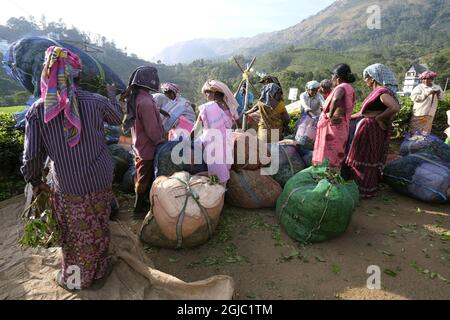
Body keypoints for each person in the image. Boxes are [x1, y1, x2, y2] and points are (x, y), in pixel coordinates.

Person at [21, 46, 123, 290]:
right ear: (76, 73)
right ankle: (98, 270)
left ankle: (77, 279)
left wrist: (35, 181)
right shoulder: (96, 102)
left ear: (46, 74)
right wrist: (111, 96)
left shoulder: (39, 110)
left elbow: (32, 156)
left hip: (68, 185)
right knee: (98, 223)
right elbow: (117, 118)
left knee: (74, 235)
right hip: (100, 178)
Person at [346, 63, 400, 198]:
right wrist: (347, 118)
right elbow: (363, 113)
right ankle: (365, 188)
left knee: (365, 156)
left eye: (366, 77)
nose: (365, 81)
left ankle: (362, 190)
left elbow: (394, 107)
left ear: (373, 78)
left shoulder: (382, 92)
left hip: (370, 129)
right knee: (366, 157)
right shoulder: (377, 92)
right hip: (370, 126)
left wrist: (379, 118)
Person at [121, 66, 165, 217]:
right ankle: (138, 208)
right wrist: (160, 140)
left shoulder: (140, 97)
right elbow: (151, 128)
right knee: (144, 177)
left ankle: (142, 201)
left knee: (141, 175)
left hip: (139, 144)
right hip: (147, 146)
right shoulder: (145, 101)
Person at [192, 80, 239, 186]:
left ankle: (216, 191)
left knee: (215, 169)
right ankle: (223, 190)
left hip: (213, 143)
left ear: (213, 93)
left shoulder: (207, 107)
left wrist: (188, 139)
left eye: (207, 93)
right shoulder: (230, 107)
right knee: (224, 167)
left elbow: (197, 128)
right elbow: (238, 123)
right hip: (227, 141)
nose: (206, 95)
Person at [313, 64, 356, 169]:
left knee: (329, 157)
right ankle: (333, 179)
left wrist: (330, 115)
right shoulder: (349, 88)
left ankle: (326, 179)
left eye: (332, 76)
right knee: (336, 155)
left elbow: (336, 99)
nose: (331, 79)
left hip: (333, 130)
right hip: (341, 127)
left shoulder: (341, 87)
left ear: (337, 77)